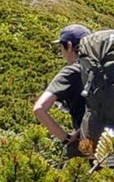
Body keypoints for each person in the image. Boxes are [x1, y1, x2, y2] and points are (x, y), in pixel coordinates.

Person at [32, 24, 92, 157]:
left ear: (69, 46)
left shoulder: (71, 72)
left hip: (87, 144)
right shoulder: (104, 69)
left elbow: (39, 109)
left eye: (61, 47)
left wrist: (66, 139)